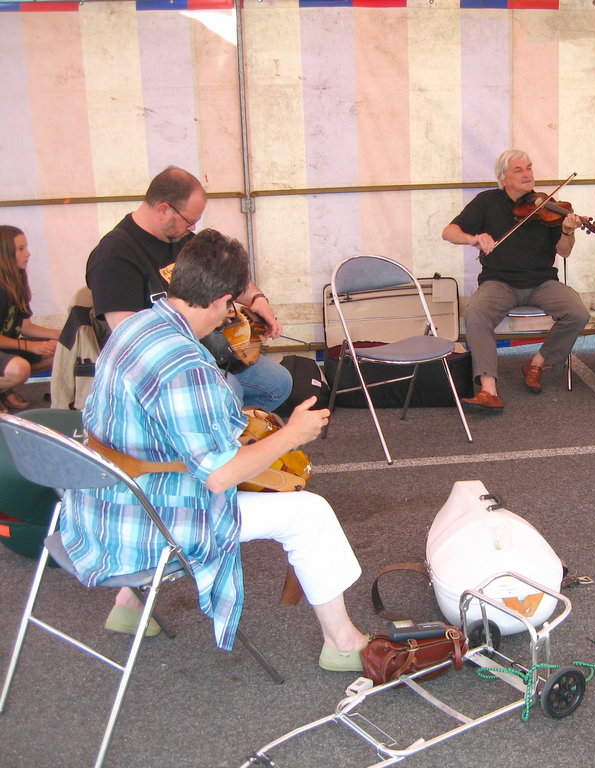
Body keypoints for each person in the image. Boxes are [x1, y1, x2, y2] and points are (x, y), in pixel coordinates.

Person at [61, 229, 366, 670]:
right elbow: (220, 476)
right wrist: (292, 435)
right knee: (310, 513)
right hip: (145, 522)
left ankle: (129, 605)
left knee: (169, 460)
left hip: (98, 503)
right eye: (230, 307)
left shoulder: (134, 326)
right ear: (223, 301)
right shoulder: (185, 365)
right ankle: (343, 643)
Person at [85, 166, 292, 411]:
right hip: (159, 366)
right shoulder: (114, 256)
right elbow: (130, 337)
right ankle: (213, 425)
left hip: (207, 348)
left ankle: (228, 424)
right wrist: (198, 364)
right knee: (229, 390)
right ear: (164, 209)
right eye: (189, 221)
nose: (192, 228)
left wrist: (257, 298)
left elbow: (226, 273)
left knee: (279, 383)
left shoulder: (181, 238)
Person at [441, 150, 590, 413]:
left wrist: (568, 231)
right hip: (499, 282)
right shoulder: (487, 201)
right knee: (476, 314)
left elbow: (564, 251)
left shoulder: (547, 205)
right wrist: (473, 239)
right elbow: (449, 232)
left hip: (542, 282)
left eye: (529, 168)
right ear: (502, 177)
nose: (527, 174)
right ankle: (488, 390)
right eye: (519, 170)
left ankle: (537, 363)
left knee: (578, 312)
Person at [0, 225, 60, 413]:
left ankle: (4, 389)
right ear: (5, 254)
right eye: (21, 249)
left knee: (60, 351)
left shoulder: (15, 281)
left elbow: (25, 326)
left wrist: (59, 334)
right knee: (19, 369)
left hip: (5, 348)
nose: (28, 253)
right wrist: (30, 346)